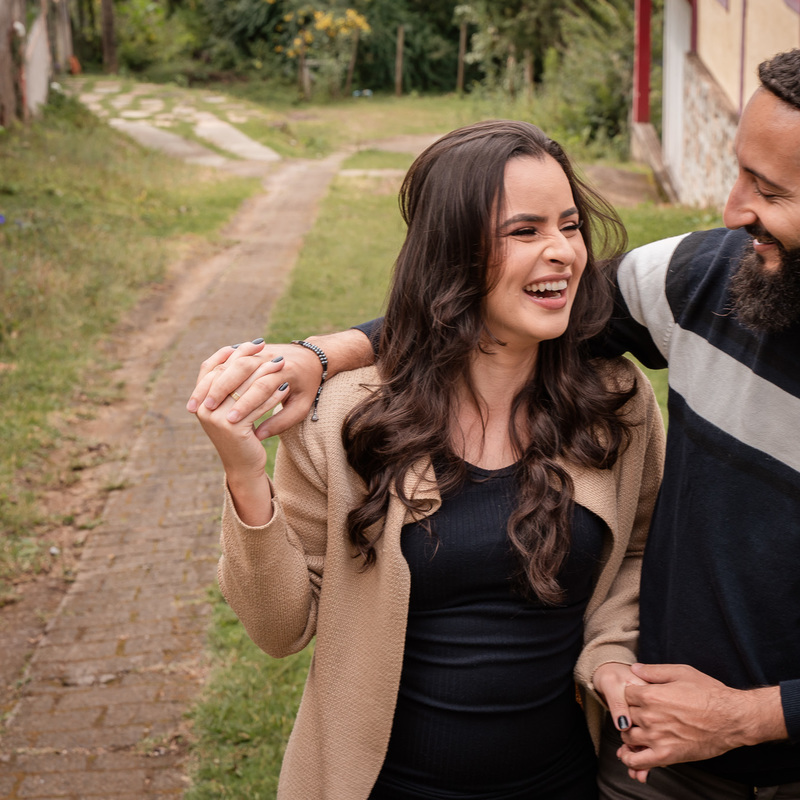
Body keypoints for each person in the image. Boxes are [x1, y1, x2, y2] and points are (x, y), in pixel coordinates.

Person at [191, 35, 800, 800]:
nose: (731, 212)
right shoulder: (708, 282)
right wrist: (322, 354)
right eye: (738, 173)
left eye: (767, 188)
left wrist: (742, 716)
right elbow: (498, 307)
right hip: (654, 774)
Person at [191, 120, 665, 800]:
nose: (563, 252)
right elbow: (280, 628)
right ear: (454, 255)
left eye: (569, 226)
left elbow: (642, 552)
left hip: (564, 783)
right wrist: (244, 475)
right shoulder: (343, 418)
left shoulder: (614, 401)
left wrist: (614, 655)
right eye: (525, 232)